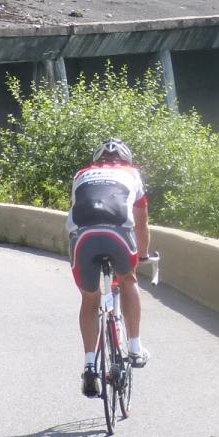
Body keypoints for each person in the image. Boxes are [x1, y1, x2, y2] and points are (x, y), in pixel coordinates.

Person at [68, 138, 152, 397]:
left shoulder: (81, 175)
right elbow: (141, 224)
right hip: (117, 236)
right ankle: (135, 347)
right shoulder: (132, 174)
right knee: (128, 280)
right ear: (126, 160)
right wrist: (145, 254)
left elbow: (74, 213)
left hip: (83, 239)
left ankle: (90, 365)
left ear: (97, 160)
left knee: (90, 299)